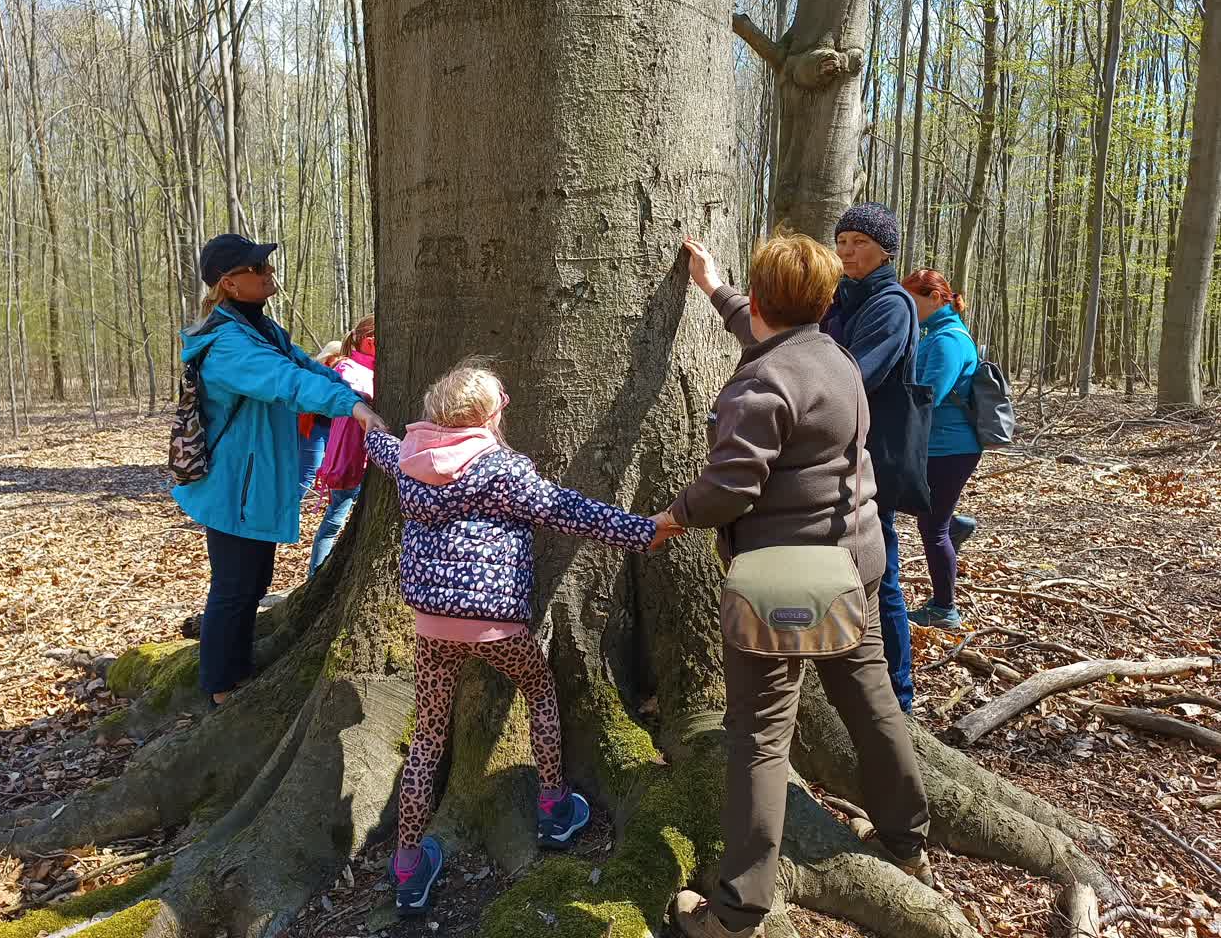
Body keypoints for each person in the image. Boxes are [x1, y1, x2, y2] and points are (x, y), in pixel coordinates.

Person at [667, 233, 931, 938]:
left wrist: (673, 515)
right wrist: (711, 285)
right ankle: (907, 842)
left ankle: (739, 909)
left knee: (757, 736)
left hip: (783, 578)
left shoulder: (760, 384)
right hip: (854, 564)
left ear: (762, 301)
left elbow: (728, 490)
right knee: (870, 699)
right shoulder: (835, 355)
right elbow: (769, 338)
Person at [362, 362, 680, 916]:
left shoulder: (410, 460)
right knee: (539, 690)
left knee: (430, 735)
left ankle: (408, 863)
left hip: (432, 623)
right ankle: (555, 806)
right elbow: (566, 510)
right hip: (495, 623)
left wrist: (365, 415)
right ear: (490, 415)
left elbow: (379, 445)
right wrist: (642, 531)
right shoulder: (503, 468)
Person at [173, 234, 386, 706]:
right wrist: (348, 406)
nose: (269, 274)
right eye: (258, 269)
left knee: (253, 580)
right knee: (234, 585)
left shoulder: (259, 329)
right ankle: (221, 686)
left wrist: (353, 392)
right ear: (229, 284)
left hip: (254, 482)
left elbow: (304, 366)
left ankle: (237, 668)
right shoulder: (229, 343)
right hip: (234, 486)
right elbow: (285, 382)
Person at [821, 202, 920, 713]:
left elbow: (856, 376)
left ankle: (898, 699)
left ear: (886, 250)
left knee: (880, 575)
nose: (846, 252)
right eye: (841, 242)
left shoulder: (891, 305)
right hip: (837, 457)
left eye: (858, 243)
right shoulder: (837, 300)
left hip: (874, 460)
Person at [902, 269, 982, 630]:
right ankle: (955, 526)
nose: (908, 306)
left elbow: (929, 394)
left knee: (931, 529)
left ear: (935, 298)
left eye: (913, 299)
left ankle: (944, 608)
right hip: (939, 445)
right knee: (930, 518)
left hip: (950, 447)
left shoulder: (949, 338)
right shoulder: (934, 333)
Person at [307, 317, 376, 577]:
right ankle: (316, 575)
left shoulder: (374, 368)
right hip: (349, 459)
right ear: (369, 342)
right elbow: (345, 393)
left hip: (372, 459)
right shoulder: (347, 368)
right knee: (335, 521)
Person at [298, 341, 342, 499]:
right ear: (330, 357)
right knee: (308, 472)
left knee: (330, 469)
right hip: (315, 429)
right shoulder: (317, 374)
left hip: (332, 429)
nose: (342, 360)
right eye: (339, 356)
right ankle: (288, 511)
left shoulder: (340, 373)